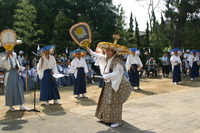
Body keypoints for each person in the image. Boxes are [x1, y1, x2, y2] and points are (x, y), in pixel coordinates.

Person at [87, 42, 132, 128]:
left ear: (113, 52)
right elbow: (99, 56)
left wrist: (107, 75)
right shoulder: (109, 58)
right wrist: (90, 51)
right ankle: (107, 118)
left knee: (115, 102)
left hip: (116, 83)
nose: (106, 53)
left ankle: (117, 120)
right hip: (108, 83)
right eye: (106, 51)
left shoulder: (117, 60)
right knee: (107, 101)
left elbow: (118, 73)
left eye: (108, 51)